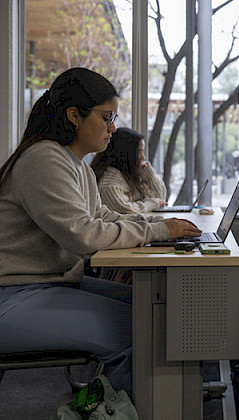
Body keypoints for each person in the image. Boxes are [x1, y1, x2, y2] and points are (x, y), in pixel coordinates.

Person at [0, 67, 201, 395]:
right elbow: (84, 235)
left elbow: (102, 216)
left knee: (156, 312)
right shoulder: (43, 160)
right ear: (74, 116)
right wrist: (160, 231)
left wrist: (160, 227)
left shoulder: (74, 162)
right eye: (106, 117)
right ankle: (114, 412)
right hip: (14, 295)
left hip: (49, 285)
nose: (113, 127)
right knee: (147, 329)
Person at [91, 127, 167, 214]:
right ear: (125, 154)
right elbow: (125, 210)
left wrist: (148, 173)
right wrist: (150, 204)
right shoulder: (110, 183)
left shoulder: (129, 176)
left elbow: (160, 199)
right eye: (139, 152)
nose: (143, 157)